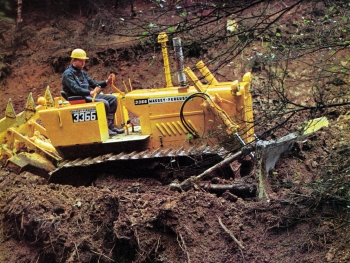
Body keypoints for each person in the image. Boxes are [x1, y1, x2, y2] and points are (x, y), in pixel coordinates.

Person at [61, 48, 124, 135]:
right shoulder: (68, 74)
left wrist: (106, 82)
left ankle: (110, 126)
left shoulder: (82, 73)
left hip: (88, 96)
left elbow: (94, 84)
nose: (83, 63)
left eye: (84, 61)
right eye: (81, 61)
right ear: (73, 61)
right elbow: (75, 89)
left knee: (112, 99)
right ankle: (104, 128)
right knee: (104, 103)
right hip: (79, 98)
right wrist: (89, 92)